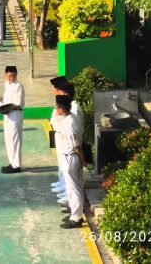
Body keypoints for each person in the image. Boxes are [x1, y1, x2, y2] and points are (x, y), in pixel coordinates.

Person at [55, 96, 85, 229]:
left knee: (75, 189)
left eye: (57, 108)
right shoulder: (70, 118)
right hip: (68, 156)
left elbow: (76, 145)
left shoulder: (70, 122)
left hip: (71, 157)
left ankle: (77, 218)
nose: (56, 110)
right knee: (71, 188)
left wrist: (83, 160)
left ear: (61, 109)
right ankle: (74, 213)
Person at [0, 65, 24, 174]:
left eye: (12, 76)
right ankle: (12, 162)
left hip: (15, 114)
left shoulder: (18, 86)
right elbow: (7, 99)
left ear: (16, 75)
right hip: (7, 114)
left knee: (15, 140)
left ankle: (17, 165)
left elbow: (17, 103)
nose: (10, 78)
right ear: (5, 75)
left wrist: (3, 108)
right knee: (8, 139)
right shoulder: (7, 84)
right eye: (8, 76)